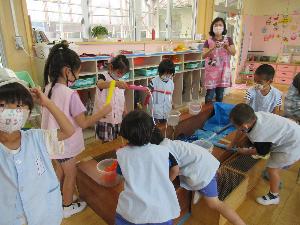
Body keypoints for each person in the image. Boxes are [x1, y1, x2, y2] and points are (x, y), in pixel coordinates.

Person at [42, 42, 112, 218]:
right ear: (67, 71)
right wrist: (102, 112)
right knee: (70, 175)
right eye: (78, 71)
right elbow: (83, 123)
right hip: (65, 144)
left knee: (59, 170)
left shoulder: (48, 88)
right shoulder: (70, 94)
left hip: (52, 141)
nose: (79, 75)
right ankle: (66, 206)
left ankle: (53, 199)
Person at [0, 68, 74, 225]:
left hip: (45, 216)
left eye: (19, 106)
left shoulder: (36, 138)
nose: (12, 112)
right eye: (3, 105)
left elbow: (68, 131)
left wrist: (47, 103)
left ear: (28, 110)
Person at [150, 128, 246, 225]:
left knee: (214, 203)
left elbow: (175, 170)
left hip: (204, 171)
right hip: (207, 162)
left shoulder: (163, 150)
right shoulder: (169, 142)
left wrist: (166, 183)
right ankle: (200, 189)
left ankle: (240, 223)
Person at [116, 110, 180, 225]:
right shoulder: (163, 151)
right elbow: (175, 169)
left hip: (131, 212)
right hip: (160, 212)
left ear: (125, 133)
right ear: (152, 131)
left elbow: (118, 179)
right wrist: (165, 182)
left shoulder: (122, 154)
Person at [229, 103, 300, 205]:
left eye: (235, 125)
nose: (236, 128)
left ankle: (274, 196)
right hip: (293, 132)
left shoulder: (259, 135)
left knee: (272, 169)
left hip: (292, 145)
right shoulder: (256, 115)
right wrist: (232, 143)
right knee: (266, 155)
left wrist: (245, 151)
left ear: (245, 126)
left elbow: (261, 152)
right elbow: (241, 131)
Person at [94, 55, 129, 142]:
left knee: (116, 141)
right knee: (105, 144)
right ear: (111, 67)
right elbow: (100, 84)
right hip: (105, 119)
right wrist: (115, 84)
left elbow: (122, 96)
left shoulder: (121, 81)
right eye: (119, 72)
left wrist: (125, 111)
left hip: (117, 117)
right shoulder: (103, 76)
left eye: (123, 74)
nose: (120, 76)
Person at [203, 17, 236, 104]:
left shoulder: (228, 40)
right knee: (209, 95)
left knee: (220, 95)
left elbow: (233, 53)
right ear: (212, 28)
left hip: (223, 72)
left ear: (224, 27)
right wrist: (213, 48)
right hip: (211, 72)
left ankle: (218, 112)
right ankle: (208, 114)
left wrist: (227, 47)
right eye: (216, 25)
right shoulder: (208, 41)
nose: (218, 27)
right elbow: (203, 55)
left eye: (220, 25)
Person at [149, 59, 175, 123]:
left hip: (167, 110)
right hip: (156, 112)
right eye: (165, 74)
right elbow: (148, 91)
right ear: (160, 72)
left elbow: (170, 95)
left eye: (169, 74)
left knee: (165, 126)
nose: (167, 76)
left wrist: (172, 103)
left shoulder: (171, 83)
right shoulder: (153, 82)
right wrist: (149, 89)